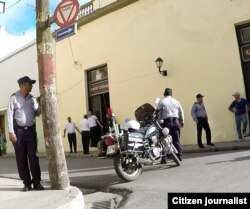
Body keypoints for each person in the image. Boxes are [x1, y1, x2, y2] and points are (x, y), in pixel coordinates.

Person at [7, 76, 44, 191]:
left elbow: (38, 112)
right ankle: (27, 183)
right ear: (23, 85)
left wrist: (40, 103)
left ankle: (36, 182)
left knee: (33, 157)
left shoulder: (32, 99)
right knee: (21, 158)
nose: (32, 86)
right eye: (30, 84)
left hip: (31, 132)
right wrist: (11, 132)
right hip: (18, 132)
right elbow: (9, 115)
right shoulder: (13, 98)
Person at [157, 88, 184, 162]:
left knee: (163, 140)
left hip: (166, 123)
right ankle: (179, 156)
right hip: (176, 122)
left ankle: (164, 158)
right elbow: (181, 111)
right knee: (176, 140)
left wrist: (158, 122)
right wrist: (182, 120)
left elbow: (158, 113)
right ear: (171, 94)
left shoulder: (161, 102)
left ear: (164, 94)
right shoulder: (176, 101)